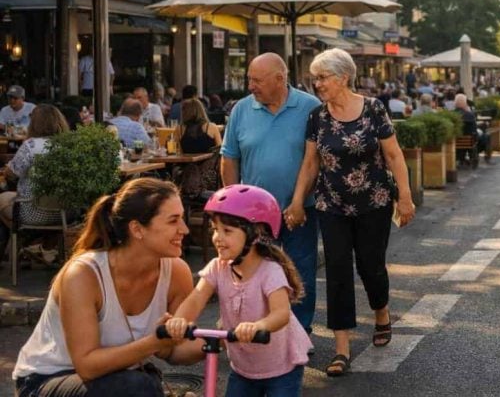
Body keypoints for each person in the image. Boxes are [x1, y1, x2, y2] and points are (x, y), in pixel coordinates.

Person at [284, 48, 415, 378]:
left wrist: (406, 196)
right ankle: (342, 348)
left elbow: (394, 155)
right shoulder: (318, 117)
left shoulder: (373, 109)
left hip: (374, 202)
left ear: (343, 77)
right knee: (338, 271)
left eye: (323, 78)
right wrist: (298, 200)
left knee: (371, 267)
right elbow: (311, 162)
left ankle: (381, 312)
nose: (317, 84)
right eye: (314, 79)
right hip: (331, 205)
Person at [12, 178, 200, 396]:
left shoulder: (177, 272)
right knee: (137, 386)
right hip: (45, 380)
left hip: (118, 377)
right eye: (173, 221)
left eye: (182, 219)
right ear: (137, 229)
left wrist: (223, 340)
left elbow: (176, 349)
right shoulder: (83, 274)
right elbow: (87, 366)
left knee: (140, 384)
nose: (185, 229)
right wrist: (154, 342)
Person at [165, 185, 312, 395]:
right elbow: (197, 298)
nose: (217, 237)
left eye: (227, 231)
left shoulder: (270, 271)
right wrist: (179, 320)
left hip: (281, 368)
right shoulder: (218, 267)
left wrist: (259, 326)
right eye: (215, 229)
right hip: (243, 367)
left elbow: (281, 314)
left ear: (256, 234)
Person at [221, 53, 321, 346]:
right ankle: (254, 330)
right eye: (249, 79)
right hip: (253, 214)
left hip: (299, 208)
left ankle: (299, 332)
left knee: (300, 271)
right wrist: (233, 207)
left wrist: (299, 200)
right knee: (251, 271)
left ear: (280, 79)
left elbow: (315, 160)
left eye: (256, 80)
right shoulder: (241, 109)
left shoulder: (309, 107)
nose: (250, 85)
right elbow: (229, 159)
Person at [0, 105, 70, 265]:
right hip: (66, 213)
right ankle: (42, 245)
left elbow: (11, 174)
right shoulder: (69, 146)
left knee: (3, 200)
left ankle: (23, 244)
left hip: (32, 212)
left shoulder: (30, 146)